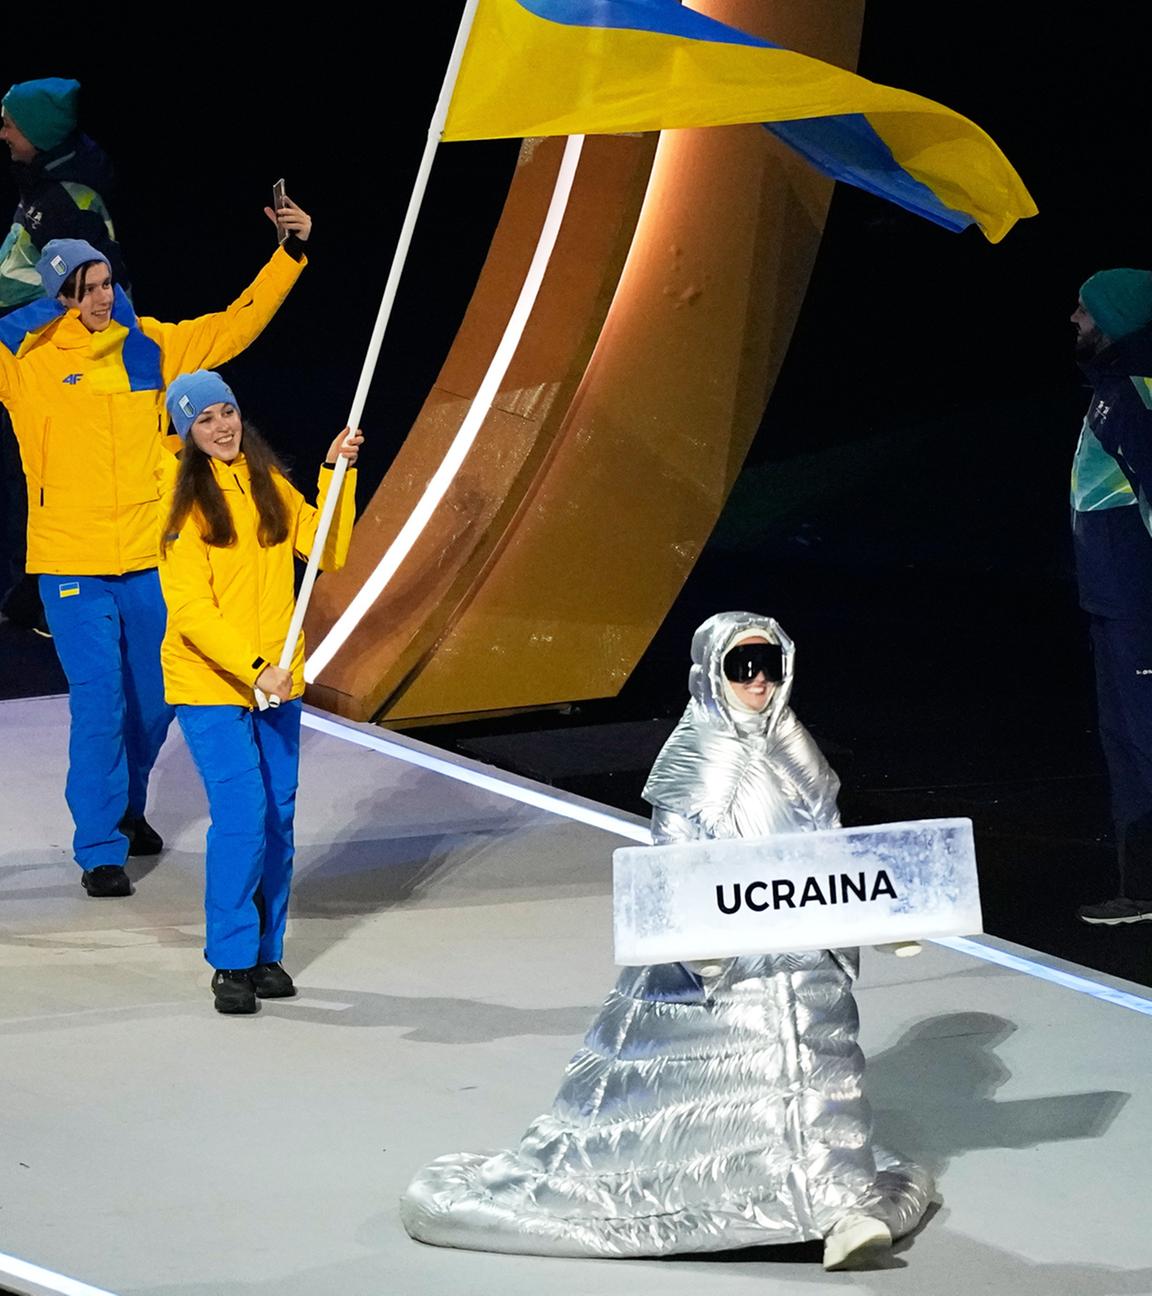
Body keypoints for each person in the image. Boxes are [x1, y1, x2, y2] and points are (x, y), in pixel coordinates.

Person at [400, 611, 933, 1270]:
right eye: (742, 668)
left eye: (769, 666)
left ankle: (837, 1207)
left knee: (814, 1077)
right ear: (712, 672)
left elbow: (829, 839)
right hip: (725, 958)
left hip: (802, 949)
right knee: (734, 1083)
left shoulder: (794, 746)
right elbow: (676, 852)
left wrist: (879, 912)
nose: (759, 682)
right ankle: (791, 1204)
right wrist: (700, 935)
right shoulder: (696, 753)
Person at [0, 198, 313, 898]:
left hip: (149, 557)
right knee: (99, 701)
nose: (102, 297)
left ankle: (127, 806)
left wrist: (287, 256)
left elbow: (234, 327)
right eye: (86, 288)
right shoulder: (23, 357)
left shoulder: (152, 346)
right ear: (60, 296)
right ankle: (99, 846)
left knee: (150, 702)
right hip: (71, 563)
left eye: (107, 282)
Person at [157, 370, 361, 1014]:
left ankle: (266, 953)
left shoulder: (268, 482)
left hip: (276, 681)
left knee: (278, 815)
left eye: (228, 412)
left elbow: (327, 551)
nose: (223, 426)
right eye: (206, 419)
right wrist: (253, 666)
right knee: (243, 817)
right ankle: (231, 960)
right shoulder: (183, 506)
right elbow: (192, 612)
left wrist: (337, 475)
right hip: (212, 682)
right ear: (187, 432)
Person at [0, 77, 127, 629]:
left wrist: (12, 333)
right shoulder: (44, 180)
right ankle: (31, 591)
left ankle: (47, 595)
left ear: (38, 132)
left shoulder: (72, 199)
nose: (2, 132)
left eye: (9, 123)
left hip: (46, 361)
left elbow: (95, 292)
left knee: (36, 474)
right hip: (26, 352)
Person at [1069, 270, 1152, 925]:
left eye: (1085, 310)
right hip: (1114, 601)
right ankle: (1141, 888)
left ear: (1113, 317)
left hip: (1138, 607)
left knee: (1144, 740)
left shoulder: (1132, 394)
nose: (1074, 319)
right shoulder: (1112, 390)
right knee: (1125, 741)